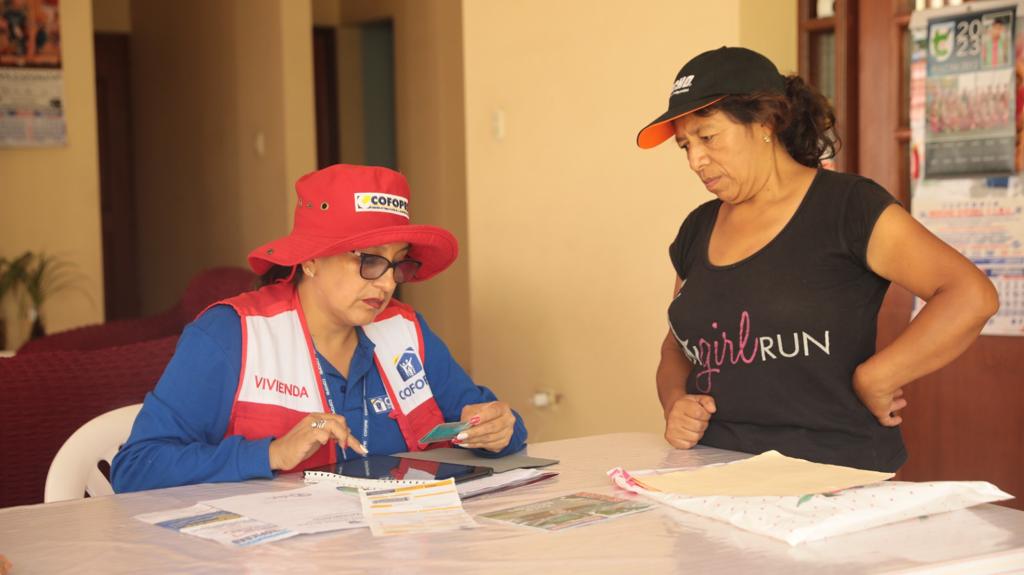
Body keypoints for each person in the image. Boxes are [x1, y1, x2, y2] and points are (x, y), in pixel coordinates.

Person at [637, 47, 999, 472]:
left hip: (830, 474)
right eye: (685, 145)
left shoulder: (848, 208)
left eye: (707, 137)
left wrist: (879, 376)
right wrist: (675, 401)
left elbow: (969, 295)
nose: (695, 160)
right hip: (716, 468)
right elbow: (678, 344)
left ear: (765, 122)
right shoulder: (697, 228)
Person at [111, 164, 527, 492]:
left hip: (399, 551)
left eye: (398, 263)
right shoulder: (230, 335)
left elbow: (488, 421)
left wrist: (500, 430)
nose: (387, 283)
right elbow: (135, 468)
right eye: (369, 260)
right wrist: (271, 454)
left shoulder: (406, 331)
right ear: (310, 260)